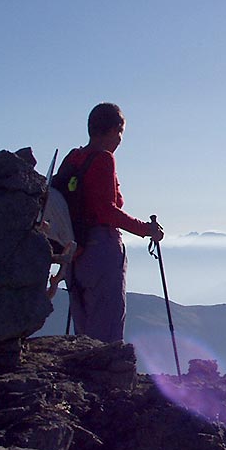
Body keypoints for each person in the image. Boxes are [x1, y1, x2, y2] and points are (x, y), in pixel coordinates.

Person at [59, 103, 163, 343]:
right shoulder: (103, 159)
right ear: (115, 129)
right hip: (101, 250)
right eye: (121, 133)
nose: (120, 140)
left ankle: (82, 378)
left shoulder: (74, 158)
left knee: (83, 330)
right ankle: (105, 378)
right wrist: (146, 230)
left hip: (74, 253)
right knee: (106, 333)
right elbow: (107, 212)